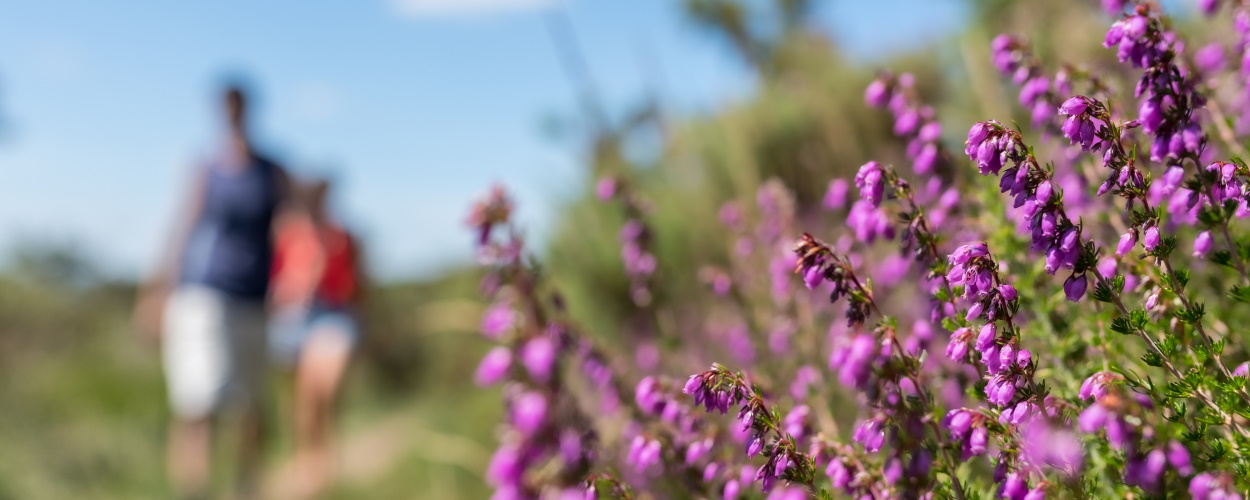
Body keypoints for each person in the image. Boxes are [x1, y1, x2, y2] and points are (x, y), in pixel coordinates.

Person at [134, 82, 290, 500]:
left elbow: (288, 230)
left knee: (251, 406)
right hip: (202, 291)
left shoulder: (272, 170)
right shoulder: (205, 168)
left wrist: (291, 282)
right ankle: (195, 492)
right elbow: (182, 226)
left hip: (255, 297)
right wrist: (155, 291)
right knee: (198, 400)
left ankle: (247, 489)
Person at [267, 177, 363, 497]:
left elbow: (358, 284)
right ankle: (309, 462)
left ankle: (322, 461)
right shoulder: (287, 233)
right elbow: (274, 280)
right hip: (292, 318)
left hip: (332, 315)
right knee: (303, 401)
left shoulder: (343, 236)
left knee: (325, 388)